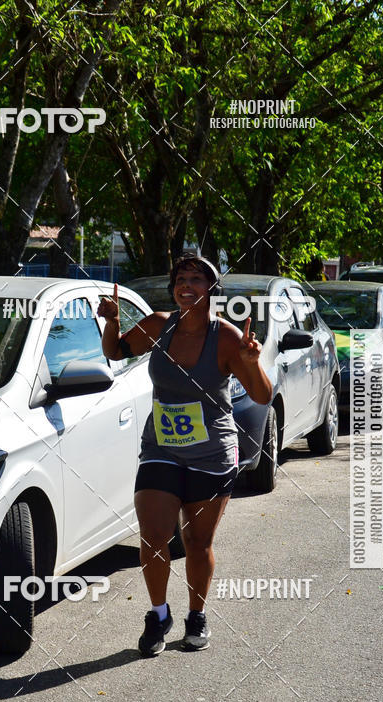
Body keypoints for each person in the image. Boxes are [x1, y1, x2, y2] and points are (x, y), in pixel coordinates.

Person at [98, 255, 272, 656]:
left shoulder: (227, 339)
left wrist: (251, 362)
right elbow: (117, 351)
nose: (186, 285)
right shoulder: (160, 326)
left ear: (212, 289)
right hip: (160, 448)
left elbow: (262, 395)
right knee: (154, 537)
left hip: (211, 454)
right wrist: (112, 322)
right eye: (180, 278)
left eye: (197, 279)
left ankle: (197, 614)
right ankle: (159, 615)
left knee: (197, 541)